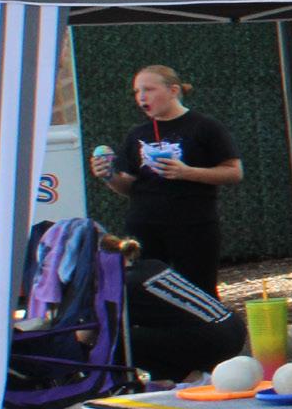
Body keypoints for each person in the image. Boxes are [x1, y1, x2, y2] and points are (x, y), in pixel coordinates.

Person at [90, 65, 246, 378]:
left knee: (199, 293)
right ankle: (163, 369)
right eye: (137, 91)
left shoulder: (204, 127)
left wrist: (187, 172)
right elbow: (129, 186)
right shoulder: (137, 135)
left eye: (148, 89)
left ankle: (213, 367)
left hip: (193, 225)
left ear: (173, 90)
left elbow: (234, 172)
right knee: (146, 295)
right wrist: (108, 177)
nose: (141, 97)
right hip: (144, 225)